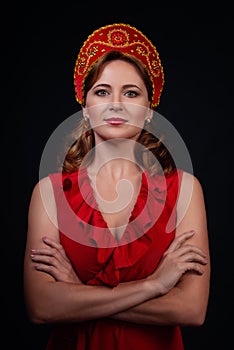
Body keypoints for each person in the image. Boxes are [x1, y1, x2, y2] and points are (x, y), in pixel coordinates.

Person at [23, 23, 210, 350]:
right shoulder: (49, 194)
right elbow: (42, 307)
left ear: (150, 110)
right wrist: (155, 285)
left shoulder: (185, 191)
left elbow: (191, 309)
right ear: (85, 108)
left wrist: (77, 290)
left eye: (131, 92)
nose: (116, 104)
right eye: (102, 91)